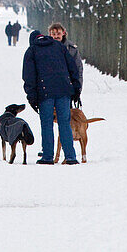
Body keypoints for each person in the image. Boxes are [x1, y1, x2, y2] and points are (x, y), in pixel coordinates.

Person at [22, 26, 81, 165]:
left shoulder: (31, 51)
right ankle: (71, 156)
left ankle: (48, 156)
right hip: (64, 90)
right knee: (64, 123)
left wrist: (32, 97)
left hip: (45, 93)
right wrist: (76, 88)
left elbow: (29, 76)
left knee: (47, 124)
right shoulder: (58, 46)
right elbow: (72, 67)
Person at [48, 22, 83, 96]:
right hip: (51, 89)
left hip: (67, 88)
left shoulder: (71, 49)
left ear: (63, 33)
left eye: (58, 33)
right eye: (53, 34)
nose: (56, 36)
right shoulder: (45, 49)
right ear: (50, 34)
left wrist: (78, 89)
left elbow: (78, 68)